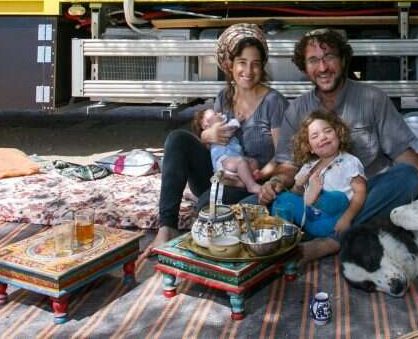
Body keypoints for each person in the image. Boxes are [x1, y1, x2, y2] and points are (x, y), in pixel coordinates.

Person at [259, 28, 418, 263]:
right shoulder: (297, 110)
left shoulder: (372, 98)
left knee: (407, 176)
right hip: (317, 203)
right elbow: (288, 166)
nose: (322, 68)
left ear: (343, 60)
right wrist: (276, 182)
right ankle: (325, 231)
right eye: (313, 60)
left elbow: (403, 154)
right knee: (249, 204)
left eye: (329, 57)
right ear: (305, 68)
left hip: (366, 197)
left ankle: (332, 241)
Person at [149, 23, 287, 252]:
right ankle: (167, 227)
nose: (248, 71)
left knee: (205, 209)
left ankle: (208, 210)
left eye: (255, 64)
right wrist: (206, 135)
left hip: (252, 184)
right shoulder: (224, 97)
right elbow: (214, 147)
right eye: (242, 62)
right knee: (177, 139)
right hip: (219, 175)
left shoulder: (274, 102)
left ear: (263, 67)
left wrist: (258, 176)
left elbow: (283, 157)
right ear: (229, 65)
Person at [271, 110, 367, 238]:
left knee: (339, 198)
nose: (323, 137)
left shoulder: (349, 162)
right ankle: (281, 235)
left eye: (328, 131)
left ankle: (318, 197)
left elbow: (360, 192)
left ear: (338, 134)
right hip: (310, 218)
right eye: (315, 136)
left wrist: (347, 218)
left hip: (334, 217)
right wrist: (298, 186)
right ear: (309, 147)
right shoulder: (308, 166)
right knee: (283, 198)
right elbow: (296, 194)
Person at [191, 108, 263, 194]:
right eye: (215, 114)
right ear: (206, 125)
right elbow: (231, 127)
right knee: (241, 162)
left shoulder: (214, 130)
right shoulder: (220, 128)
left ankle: (241, 182)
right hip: (224, 161)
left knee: (253, 162)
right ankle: (251, 185)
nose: (219, 113)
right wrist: (237, 120)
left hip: (234, 161)